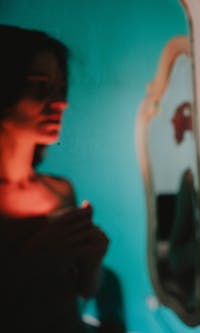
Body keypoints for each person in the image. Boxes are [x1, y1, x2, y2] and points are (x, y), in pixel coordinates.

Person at [0, 24, 109, 332]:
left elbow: (83, 290)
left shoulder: (61, 190)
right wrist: (37, 255)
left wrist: (93, 260)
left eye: (61, 88)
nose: (61, 103)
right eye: (39, 86)